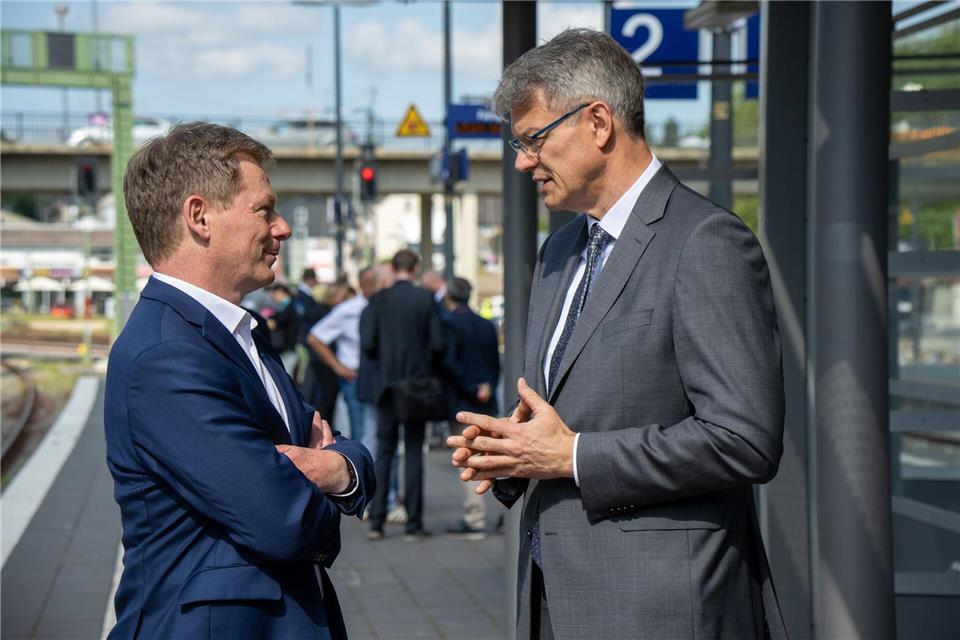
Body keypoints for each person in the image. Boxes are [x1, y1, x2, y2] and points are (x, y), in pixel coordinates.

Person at [448, 29, 787, 640]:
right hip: (553, 596)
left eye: (533, 139)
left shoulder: (706, 242)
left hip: (664, 607)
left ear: (598, 122)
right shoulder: (558, 250)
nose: (522, 161)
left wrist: (571, 455)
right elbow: (567, 411)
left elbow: (745, 439)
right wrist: (512, 453)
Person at [104, 122, 374, 640]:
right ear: (200, 217)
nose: (282, 228)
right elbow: (283, 520)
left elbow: (342, 454)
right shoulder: (166, 356)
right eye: (264, 209)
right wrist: (332, 475)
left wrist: (338, 468)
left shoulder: (245, 333)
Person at [361, 249, 445, 541]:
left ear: (394, 267)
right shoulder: (425, 300)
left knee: (383, 452)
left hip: (386, 386)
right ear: (416, 268)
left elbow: (368, 343)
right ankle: (414, 524)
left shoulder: (377, 300)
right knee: (413, 452)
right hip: (417, 387)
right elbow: (437, 344)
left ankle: (377, 521)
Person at [439, 276, 500, 540]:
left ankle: (474, 519)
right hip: (487, 401)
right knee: (492, 457)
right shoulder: (486, 324)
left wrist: (472, 387)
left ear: (449, 296)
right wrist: (487, 386)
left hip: (464, 402)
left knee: (468, 460)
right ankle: (499, 515)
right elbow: (496, 363)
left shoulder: (450, 323)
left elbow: (450, 363)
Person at [307, 267, 376, 443]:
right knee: (362, 433)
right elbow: (315, 337)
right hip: (355, 376)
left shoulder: (383, 307)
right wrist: (338, 367)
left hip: (377, 377)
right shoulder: (349, 309)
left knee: (381, 436)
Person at [266, 282, 300, 375]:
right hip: (288, 349)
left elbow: (274, 324)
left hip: (289, 350)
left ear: (281, 292)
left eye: (274, 294)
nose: (273, 297)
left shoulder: (288, 308)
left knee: (287, 377)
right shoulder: (289, 306)